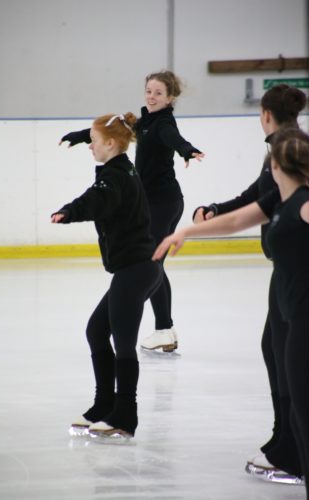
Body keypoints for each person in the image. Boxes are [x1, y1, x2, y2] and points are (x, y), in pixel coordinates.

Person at [152, 127, 309, 498]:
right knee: (302, 414)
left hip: (305, 319)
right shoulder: (278, 200)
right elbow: (237, 220)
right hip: (291, 315)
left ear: (275, 164)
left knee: (306, 412)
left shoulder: (304, 202)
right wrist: (186, 231)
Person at [193, 84, 307, 482]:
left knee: (286, 357)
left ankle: (291, 449)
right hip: (287, 271)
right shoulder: (289, 145)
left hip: (295, 275)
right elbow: (258, 198)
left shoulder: (285, 150)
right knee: (275, 351)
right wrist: (218, 210)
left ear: (265, 114)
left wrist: (216, 211)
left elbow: (258, 199)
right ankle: (284, 439)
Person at [59, 70, 205, 353]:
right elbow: (118, 131)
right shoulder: (145, 121)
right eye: (149, 91)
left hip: (163, 202)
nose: (151, 96)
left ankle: (164, 328)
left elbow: (174, 138)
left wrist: (187, 150)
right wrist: (81, 136)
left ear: (170, 98)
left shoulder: (162, 123)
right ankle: (164, 328)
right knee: (154, 262)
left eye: (158, 93)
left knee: (153, 261)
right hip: (155, 201)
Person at [52, 112, 163, 437]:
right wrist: (81, 135)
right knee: (96, 331)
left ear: (111, 144)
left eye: (95, 143)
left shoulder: (113, 178)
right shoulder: (120, 167)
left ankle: (124, 416)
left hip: (136, 269)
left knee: (123, 343)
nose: (91, 147)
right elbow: (101, 136)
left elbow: (96, 200)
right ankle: (105, 405)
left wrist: (69, 211)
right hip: (140, 268)